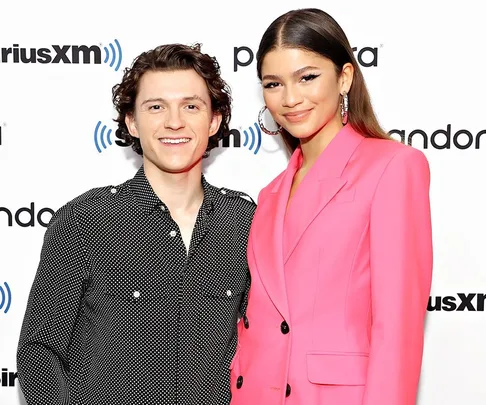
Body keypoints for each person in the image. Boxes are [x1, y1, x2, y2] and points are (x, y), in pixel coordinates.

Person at [17, 43, 255, 405]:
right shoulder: (85, 222)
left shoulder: (244, 223)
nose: (174, 122)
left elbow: (268, 347)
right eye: (156, 107)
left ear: (214, 121)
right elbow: (39, 351)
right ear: (132, 121)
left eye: (191, 106)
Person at [229, 8, 433, 405]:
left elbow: (397, 329)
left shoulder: (393, 167)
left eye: (307, 77)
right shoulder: (270, 193)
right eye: (273, 84)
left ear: (344, 77)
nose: (290, 99)